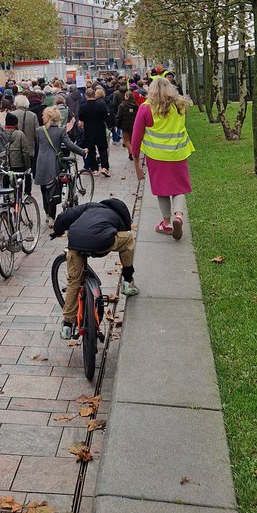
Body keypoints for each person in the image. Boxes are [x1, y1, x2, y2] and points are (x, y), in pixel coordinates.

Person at [53, 197, 137, 338]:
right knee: (127, 239)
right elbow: (122, 233)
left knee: (74, 281)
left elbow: (64, 217)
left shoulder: (89, 207)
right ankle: (128, 282)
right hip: (102, 243)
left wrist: (57, 231)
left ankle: (67, 325)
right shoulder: (117, 217)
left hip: (76, 241)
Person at [130, 76, 195, 239]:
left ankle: (166, 223)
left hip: (156, 156)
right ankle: (178, 216)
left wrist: (135, 154)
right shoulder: (180, 105)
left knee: (162, 189)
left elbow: (136, 135)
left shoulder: (145, 108)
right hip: (179, 153)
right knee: (178, 188)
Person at [33, 105, 86, 222]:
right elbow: (70, 145)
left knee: (44, 190)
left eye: (43, 115)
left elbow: (36, 148)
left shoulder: (39, 131)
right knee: (53, 189)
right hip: (54, 163)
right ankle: (52, 216)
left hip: (41, 163)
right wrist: (82, 151)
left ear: (48, 117)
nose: (42, 117)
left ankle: (47, 213)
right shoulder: (60, 131)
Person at [4, 111, 33, 193]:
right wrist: (27, 166)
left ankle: (7, 198)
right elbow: (25, 152)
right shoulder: (20, 134)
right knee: (18, 184)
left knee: (6, 183)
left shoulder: (1, 133)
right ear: (16, 124)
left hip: (6, 166)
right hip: (18, 165)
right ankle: (19, 198)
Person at [115, 90, 139, 161]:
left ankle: (132, 153)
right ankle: (130, 154)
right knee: (131, 140)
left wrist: (117, 124)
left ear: (127, 97)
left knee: (126, 140)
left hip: (125, 125)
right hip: (134, 125)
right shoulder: (136, 105)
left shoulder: (122, 105)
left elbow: (119, 116)